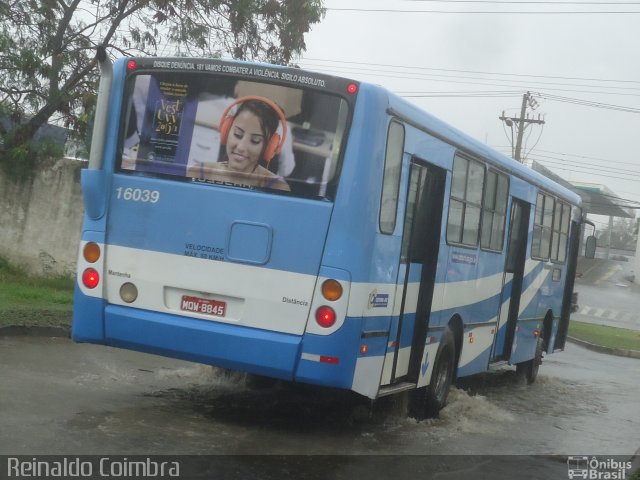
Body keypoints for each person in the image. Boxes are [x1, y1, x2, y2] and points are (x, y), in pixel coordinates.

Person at [188, 98, 290, 192]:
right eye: (238, 134)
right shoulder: (199, 173)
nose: (241, 147)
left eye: (255, 140)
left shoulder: (278, 187)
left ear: (268, 147)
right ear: (226, 131)